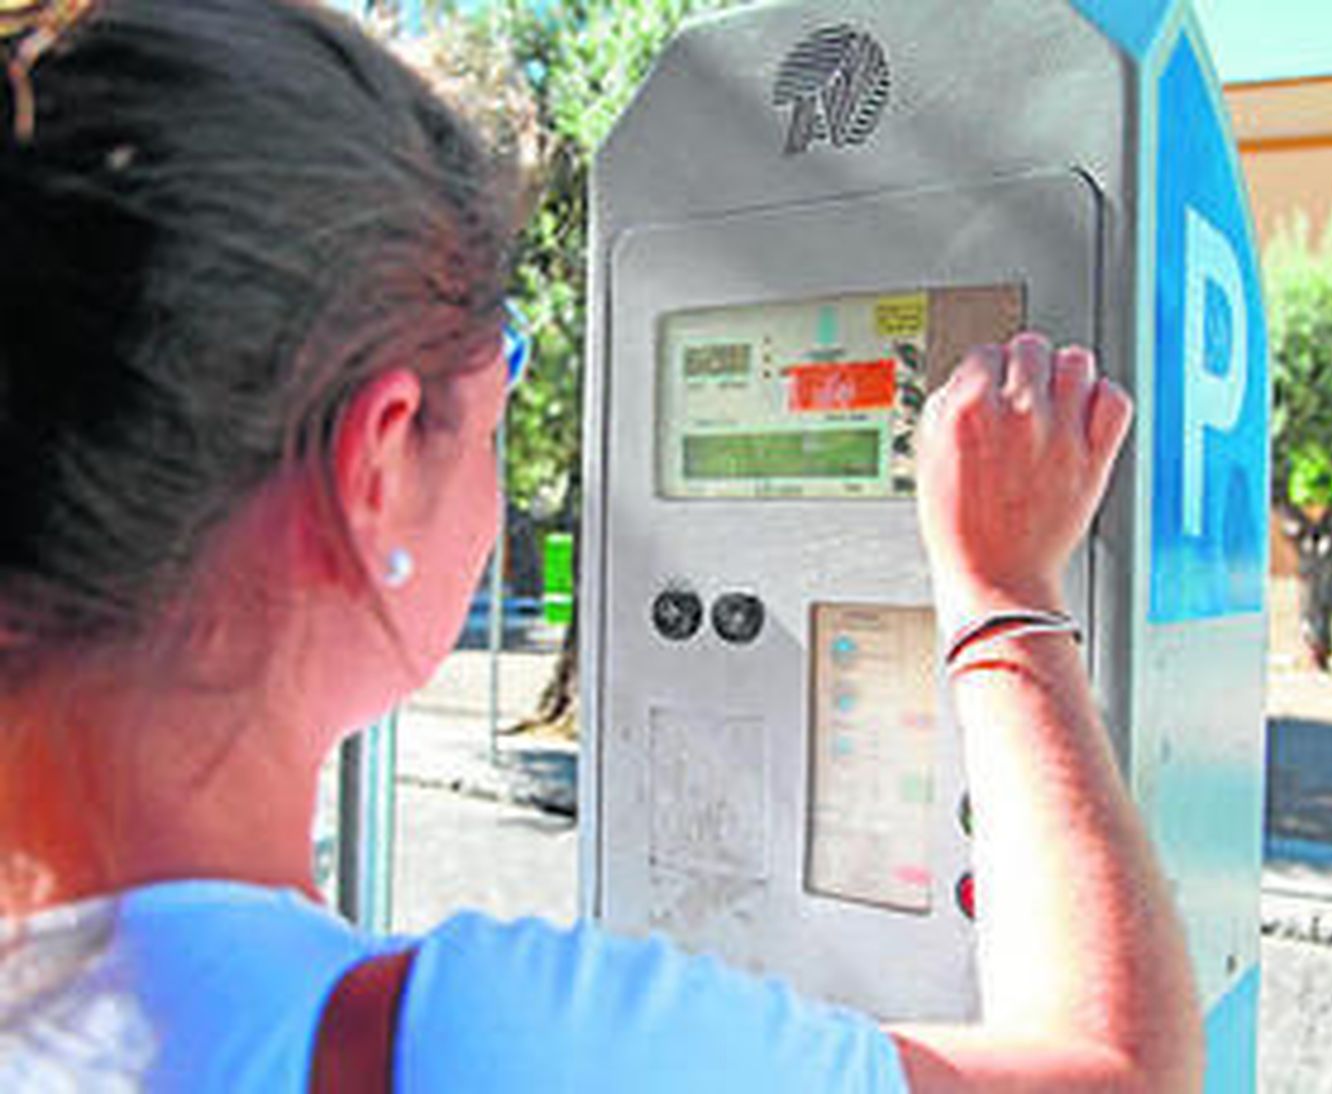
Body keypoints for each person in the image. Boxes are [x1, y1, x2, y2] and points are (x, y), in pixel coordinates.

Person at [0, 0, 1203, 1090]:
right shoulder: (474, 1039)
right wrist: (1002, 589)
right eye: (502, 369)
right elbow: (1115, 1075)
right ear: (375, 462)